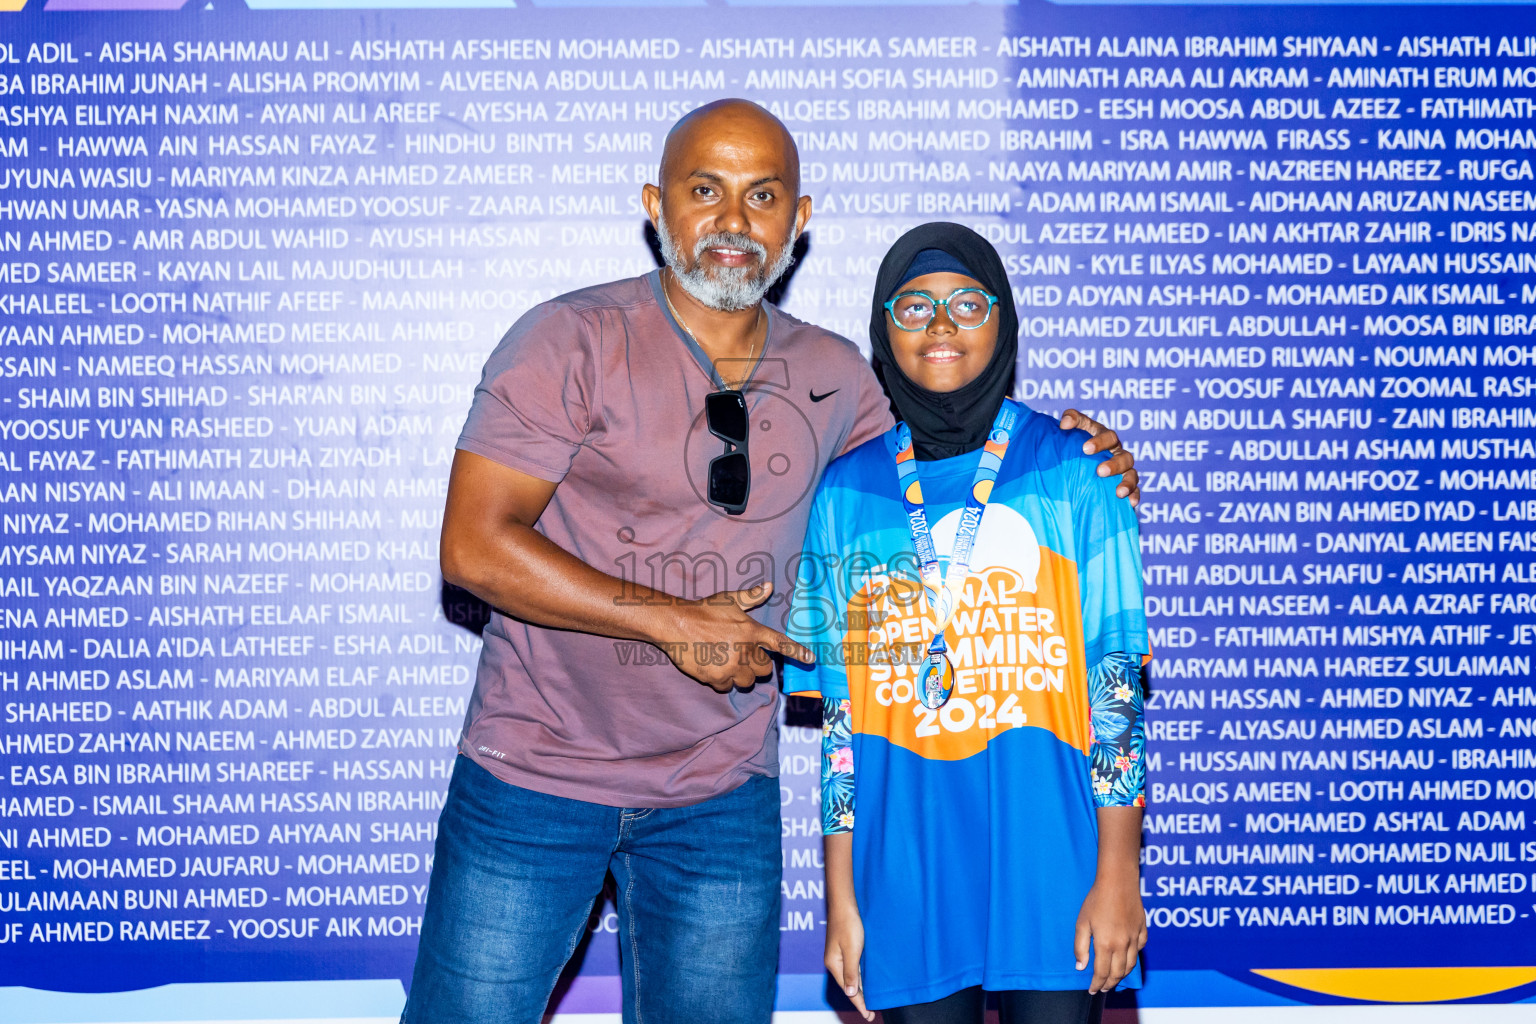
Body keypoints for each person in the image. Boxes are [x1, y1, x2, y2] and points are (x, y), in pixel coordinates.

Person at [402, 99, 1141, 1024]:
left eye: (762, 196)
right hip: (535, 777)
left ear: (798, 221)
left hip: (719, 798)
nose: (732, 222)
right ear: (655, 204)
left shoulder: (846, 381)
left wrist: (1086, 452)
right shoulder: (568, 340)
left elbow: (958, 446)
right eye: (704, 190)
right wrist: (669, 622)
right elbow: (473, 546)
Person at [785, 222, 1150, 1024]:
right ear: (884, 331)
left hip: (1054, 862)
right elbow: (842, 725)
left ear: (1004, 321)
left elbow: (1115, 691)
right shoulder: (844, 496)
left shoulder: (1076, 471)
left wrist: (1119, 872)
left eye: (966, 304)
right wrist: (842, 898)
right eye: (913, 307)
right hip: (907, 871)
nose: (940, 326)